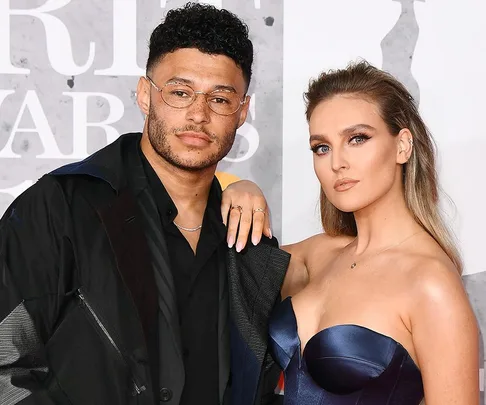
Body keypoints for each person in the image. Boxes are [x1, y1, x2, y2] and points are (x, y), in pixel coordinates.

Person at [0, 3, 288, 405]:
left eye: (220, 99)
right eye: (180, 92)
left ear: (242, 112)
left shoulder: (247, 238)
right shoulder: (60, 206)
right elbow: (5, 366)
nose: (198, 114)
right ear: (144, 94)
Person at [266, 61, 479, 404]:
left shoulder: (430, 284)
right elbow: (222, 268)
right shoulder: (318, 255)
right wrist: (241, 192)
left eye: (357, 139)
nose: (337, 162)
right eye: (322, 147)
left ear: (402, 146)